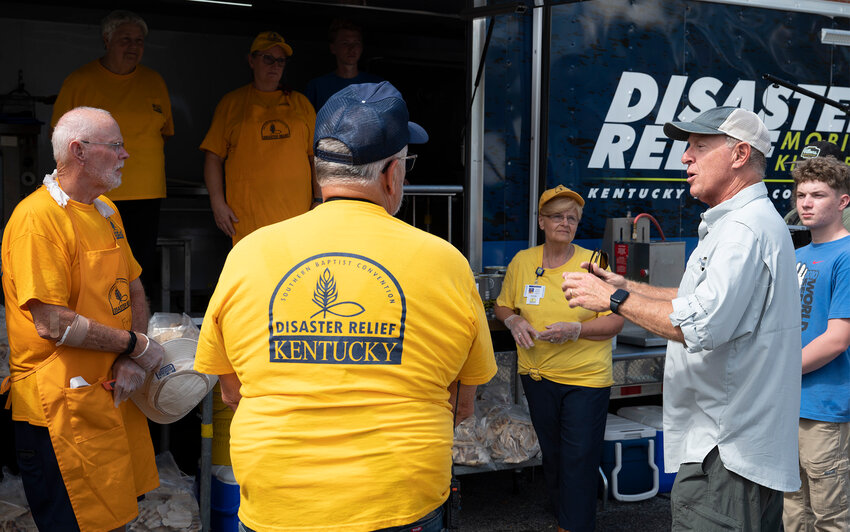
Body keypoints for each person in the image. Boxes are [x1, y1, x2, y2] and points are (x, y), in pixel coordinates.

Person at [194, 81, 497, 532]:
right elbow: (464, 401)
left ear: (319, 173)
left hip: (279, 500)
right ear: (392, 174)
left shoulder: (248, 252)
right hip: (398, 498)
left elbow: (231, 391)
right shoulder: (444, 261)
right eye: (406, 167)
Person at [563, 106, 802, 530]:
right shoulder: (746, 223)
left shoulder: (743, 230)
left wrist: (614, 298)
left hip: (724, 452)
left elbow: (700, 324)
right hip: (738, 450)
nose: (685, 158)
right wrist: (627, 285)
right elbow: (700, 300)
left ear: (740, 154)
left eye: (699, 146)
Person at [1, 107, 166, 531]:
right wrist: (135, 346)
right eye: (115, 146)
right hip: (60, 411)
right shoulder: (37, 220)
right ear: (78, 151)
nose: (126, 154)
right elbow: (53, 323)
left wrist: (131, 359)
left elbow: (133, 288)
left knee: (118, 519)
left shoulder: (106, 209)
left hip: (111, 400)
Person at [493, 185, 623, 532]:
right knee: (553, 455)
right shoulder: (523, 262)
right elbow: (503, 304)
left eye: (572, 218)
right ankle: (565, 512)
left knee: (578, 459)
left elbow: (615, 320)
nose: (565, 223)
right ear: (541, 221)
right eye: (557, 216)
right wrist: (513, 319)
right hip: (537, 376)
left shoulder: (594, 264)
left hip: (584, 379)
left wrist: (576, 331)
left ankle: (575, 523)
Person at [51, 10, 174, 292]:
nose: (133, 46)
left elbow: (165, 134)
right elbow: (59, 139)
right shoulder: (80, 81)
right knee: (98, 262)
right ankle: (99, 326)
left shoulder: (154, 82)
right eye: (125, 39)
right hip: (96, 192)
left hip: (147, 191)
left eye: (139, 41)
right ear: (107, 40)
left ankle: (138, 329)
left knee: (141, 265)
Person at [201, 30, 320, 246]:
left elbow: (316, 158)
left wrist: (319, 201)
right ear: (251, 60)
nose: (275, 65)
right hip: (247, 221)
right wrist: (217, 203)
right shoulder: (232, 104)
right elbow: (213, 157)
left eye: (281, 61)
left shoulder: (301, 104)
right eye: (268, 58)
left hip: (297, 219)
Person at [782, 156, 850, 531]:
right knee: (793, 512)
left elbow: (837, 339)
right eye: (801, 194)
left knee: (831, 518)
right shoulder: (797, 256)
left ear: (843, 202)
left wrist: (776, 372)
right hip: (789, 404)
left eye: (819, 195)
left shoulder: (847, 256)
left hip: (826, 408)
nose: (806, 203)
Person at [305, 19, 383, 112]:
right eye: (345, 43)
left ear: (361, 47)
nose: (352, 48)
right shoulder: (317, 86)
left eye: (356, 43)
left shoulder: (377, 85)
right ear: (333, 48)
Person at [784, 140, 850, 231]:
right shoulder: (793, 216)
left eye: (816, 172)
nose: (805, 176)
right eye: (800, 169)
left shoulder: (846, 218)